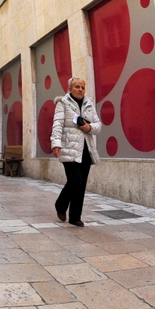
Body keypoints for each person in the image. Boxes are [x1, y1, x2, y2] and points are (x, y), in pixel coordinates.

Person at [50, 77, 101, 227]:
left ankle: (75, 217)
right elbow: (57, 124)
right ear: (70, 89)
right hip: (69, 148)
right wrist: (56, 144)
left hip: (86, 149)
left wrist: (89, 128)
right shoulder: (63, 103)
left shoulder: (89, 103)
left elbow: (98, 125)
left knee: (81, 184)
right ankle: (61, 204)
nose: (80, 89)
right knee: (75, 180)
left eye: (82, 87)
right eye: (77, 87)